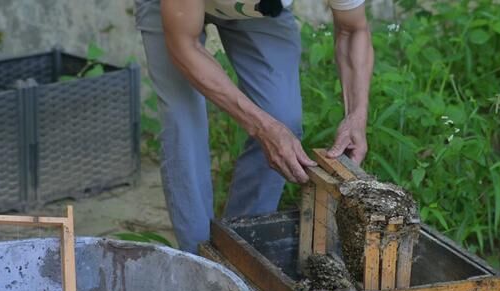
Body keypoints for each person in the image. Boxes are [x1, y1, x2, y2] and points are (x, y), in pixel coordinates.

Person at [134, 0, 374, 253]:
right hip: (174, 13)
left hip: (259, 12)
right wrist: (261, 127)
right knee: (183, 129)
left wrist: (356, 115)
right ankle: (200, 262)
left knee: (283, 118)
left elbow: (352, 29)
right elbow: (183, 45)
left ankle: (241, 248)